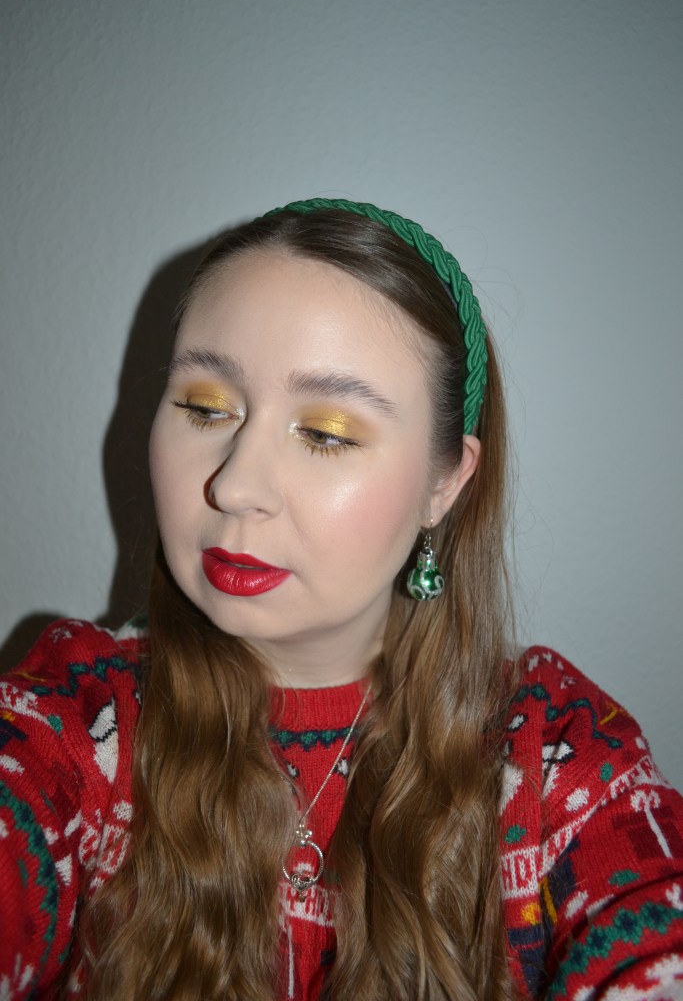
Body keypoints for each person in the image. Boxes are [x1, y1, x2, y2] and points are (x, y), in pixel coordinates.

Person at [1, 199, 682, 1001]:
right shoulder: (80, 719)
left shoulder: (555, 753)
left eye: (325, 432)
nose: (235, 485)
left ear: (443, 482)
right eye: (204, 407)